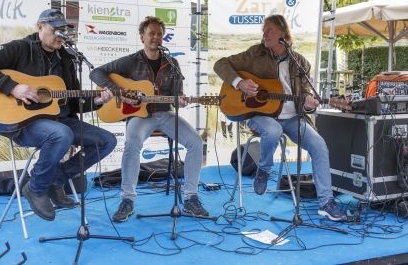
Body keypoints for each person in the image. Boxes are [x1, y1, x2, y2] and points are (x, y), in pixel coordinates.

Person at [0, 9, 117, 221]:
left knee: (107, 141)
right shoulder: (20, 48)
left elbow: (73, 102)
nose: (60, 35)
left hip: (60, 121)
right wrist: (12, 87)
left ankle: (56, 179)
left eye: (64, 31)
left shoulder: (67, 59)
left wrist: (97, 100)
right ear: (40, 27)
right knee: (61, 134)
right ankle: (35, 188)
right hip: (23, 124)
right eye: (56, 30)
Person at [213, 14, 346, 221]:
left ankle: (326, 202)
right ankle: (264, 170)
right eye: (263, 30)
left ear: (283, 34)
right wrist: (239, 82)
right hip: (261, 115)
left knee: (319, 145)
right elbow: (220, 64)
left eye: (269, 30)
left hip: (293, 118)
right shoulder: (255, 53)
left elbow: (304, 96)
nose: (264, 34)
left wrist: (308, 104)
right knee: (273, 130)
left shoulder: (300, 62)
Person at [90, 16, 209, 222]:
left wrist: (180, 99)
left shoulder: (172, 62)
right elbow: (96, 73)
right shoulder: (131, 61)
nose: (155, 37)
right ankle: (127, 200)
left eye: (159, 34)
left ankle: (191, 198)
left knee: (196, 142)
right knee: (132, 143)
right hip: (140, 116)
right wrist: (119, 92)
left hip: (166, 114)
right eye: (151, 33)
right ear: (142, 36)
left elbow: (176, 93)